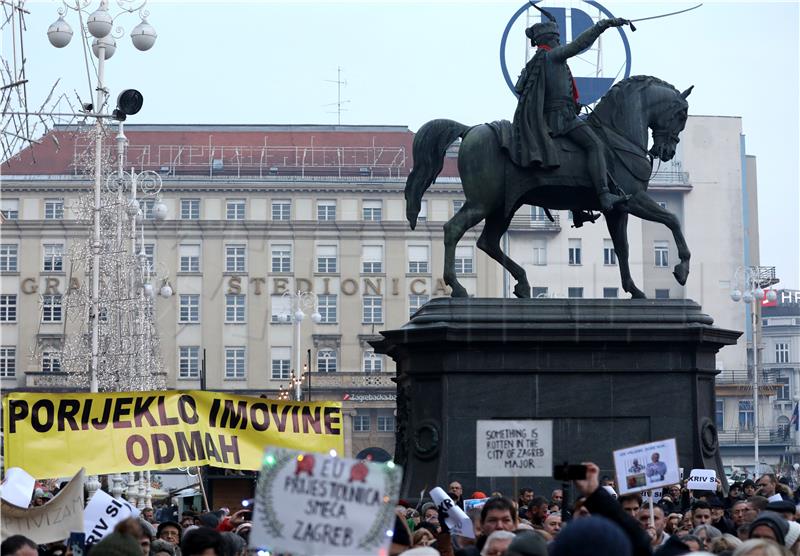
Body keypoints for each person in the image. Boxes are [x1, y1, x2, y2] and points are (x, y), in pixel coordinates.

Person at [503, 4, 630, 216]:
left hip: (553, 116)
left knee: (574, 156)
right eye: (557, 38)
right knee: (595, 145)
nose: (560, 41)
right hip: (561, 119)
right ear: (550, 39)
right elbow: (580, 44)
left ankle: (578, 207)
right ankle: (604, 194)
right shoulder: (552, 56)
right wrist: (603, 25)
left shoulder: (536, 61)